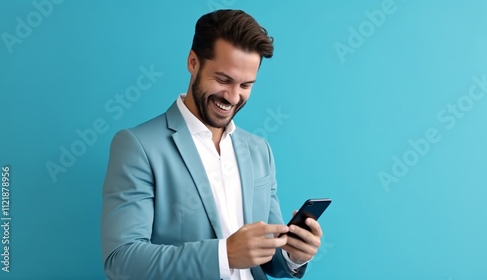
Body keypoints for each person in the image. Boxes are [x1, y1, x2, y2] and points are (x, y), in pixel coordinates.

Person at [101, 9, 324, 280]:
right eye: (223, 80)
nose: (232, 97)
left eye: (246, 85)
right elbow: (122, 261)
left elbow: (268, 259)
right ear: (193, 62)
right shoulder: (138, 146)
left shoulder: (259, 151)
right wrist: (224, 255)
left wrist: (293, 254)